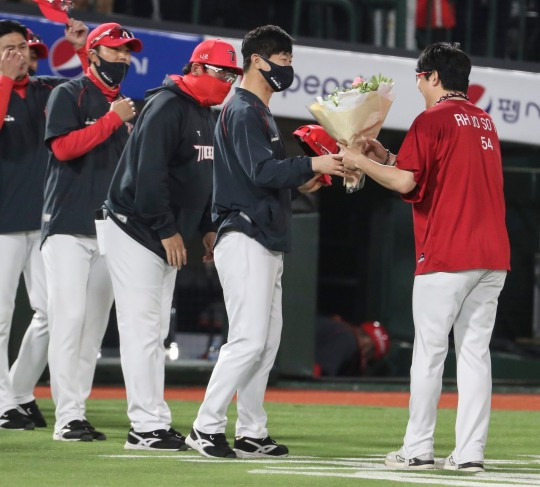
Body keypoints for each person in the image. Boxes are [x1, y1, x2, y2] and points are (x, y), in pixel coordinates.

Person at [341, 42, 510, 473]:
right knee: (475, 356)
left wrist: (359, 157)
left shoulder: (431, 118)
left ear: (434, 76)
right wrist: (388, 157)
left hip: (448, 254)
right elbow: (429, 175)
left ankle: (417, 448)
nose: (417, 81)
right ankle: (470, 452)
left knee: (430, 354)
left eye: (420, 74)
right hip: (492, 256)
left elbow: (404, 184)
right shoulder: (485, 121)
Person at [186, 25, 345, 459]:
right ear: (257, 59)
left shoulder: (257, 110)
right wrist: (313, 161)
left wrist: (301, 182)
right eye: (284, 59)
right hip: (244, 234)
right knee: (249, 339)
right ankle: (205, 426)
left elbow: (259, 178)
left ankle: (251, 431)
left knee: (267, 341)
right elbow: (260, 173)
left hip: (263, 233)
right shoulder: (241, 108)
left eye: (290, 60)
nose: (287, 68)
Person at [100, 38, 242, 451]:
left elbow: (199, 180)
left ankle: (153, 421)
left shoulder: (202, 112)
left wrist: (207, 227)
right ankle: (144, 426)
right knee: (143, 329)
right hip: (135, 227)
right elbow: (148, 176)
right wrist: (166, 229)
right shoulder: (166, 105)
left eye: (232, 75)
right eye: (221, 73)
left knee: (156, 329)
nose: (227, 82)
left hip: (159, 231)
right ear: (196, 69)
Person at [42, 22, 142, 442]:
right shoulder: (70, 94)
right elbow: (63, 148)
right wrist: (112, 120)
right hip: (66, 224)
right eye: (116, 50)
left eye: (127, 52)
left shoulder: (128, 109)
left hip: (110, 229)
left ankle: (76, 413)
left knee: (93, 329)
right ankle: (66, 419)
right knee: (69, 319)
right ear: (94, 53)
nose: (123, 58)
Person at [0, 18, 87, 431]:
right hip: (1, 226)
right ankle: (3, 404)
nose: (20, 55)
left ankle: (15, 392)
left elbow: (92, 92)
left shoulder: (48, 90)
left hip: (42, 222)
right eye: (9, 49)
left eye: (24, 47)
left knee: (52, 312)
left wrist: (82, 48)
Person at [314, 315, 389, 377]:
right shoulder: (348, 340)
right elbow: (317, 374)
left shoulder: (343, 331)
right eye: (370, 358)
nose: (366, 361)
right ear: (367, 343)